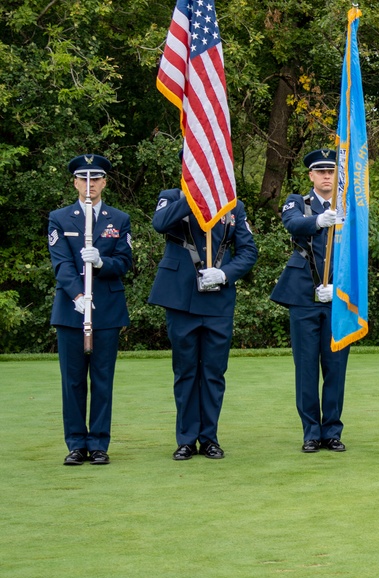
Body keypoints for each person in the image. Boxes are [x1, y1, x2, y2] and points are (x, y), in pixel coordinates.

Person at [148, 182, 258, 461]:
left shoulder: (233, 205)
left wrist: (224, 274)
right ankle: (186, 439)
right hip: (180, 297)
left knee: (213, 372)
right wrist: (192, 196)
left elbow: (248, 252)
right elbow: (160, 224)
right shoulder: (171, 197)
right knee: (185, 371)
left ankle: (209, 438)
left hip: (217, 299)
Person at [47, 154, 133, 465]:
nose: (89, 184)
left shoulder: (118, 219)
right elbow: (62, 263)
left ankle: (98, 443)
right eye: (83, 179)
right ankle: (75, 443)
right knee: (72, 381)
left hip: (107, 309)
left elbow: (125, 262)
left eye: (95, 179)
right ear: (74, 182)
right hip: (71, 310)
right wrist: (78, 295)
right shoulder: (60, 217)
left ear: (104, 182)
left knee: (102, 379)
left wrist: (101, 262)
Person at [270, 149, 350, 453]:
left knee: (335, 366)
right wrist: (319, 220)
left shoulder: (348, 207)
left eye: (331, 171)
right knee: (306, 367)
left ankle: (332, 431)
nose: (326, 176)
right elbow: (292, 223)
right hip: (304, 293)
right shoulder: (298, 202)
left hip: (338, 297)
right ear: (311, 176)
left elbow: (355, 249)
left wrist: (340, 287)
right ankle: (311, 433)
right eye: (321, 172)